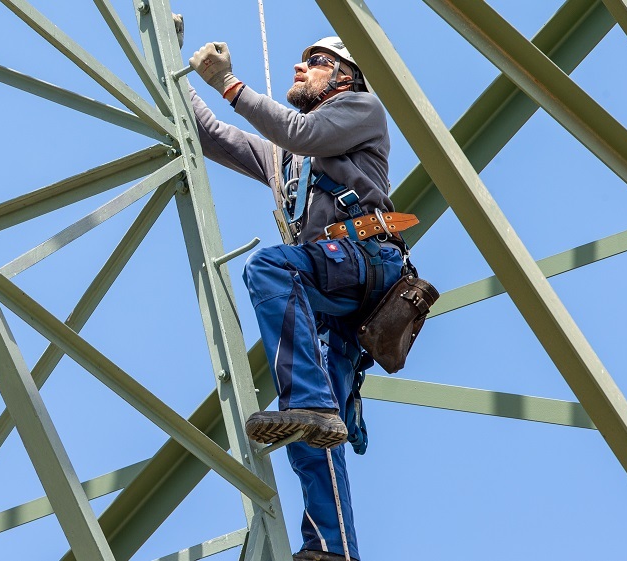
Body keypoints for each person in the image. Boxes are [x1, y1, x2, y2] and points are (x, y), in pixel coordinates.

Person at [186, 30, 418, 561]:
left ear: (344, 75)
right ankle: (332, 549)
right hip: (329, 280)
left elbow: (303, 132)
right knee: (319, 430)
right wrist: (173, 66)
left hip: (365, 261)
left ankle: (308, 402)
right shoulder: (285, 157)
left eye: (314, 61)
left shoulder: (361, 109)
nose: (299, 66)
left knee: (268, 268)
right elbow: (210, 134)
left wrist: (228, 82)